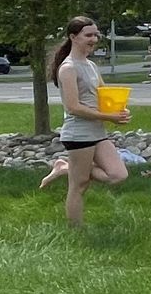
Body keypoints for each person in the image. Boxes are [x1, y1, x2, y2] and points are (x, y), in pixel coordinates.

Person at [52, 16, 131, 229]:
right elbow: (73, 107)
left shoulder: (91, 65)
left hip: (97, 132)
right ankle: (76, 230)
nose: (94, 39)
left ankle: (65, 167)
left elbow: (104, 96)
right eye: (88, 35)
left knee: (118, 175)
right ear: (73, 37)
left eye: (96, 35)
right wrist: (109, 117)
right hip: (78, 134)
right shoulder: (68, 68)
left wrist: (119, 111)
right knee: (80, 185)